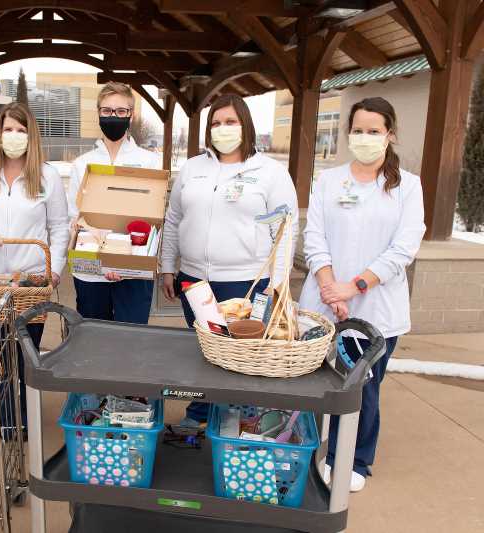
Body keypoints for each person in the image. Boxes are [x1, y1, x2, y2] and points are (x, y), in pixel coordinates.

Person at [299, 97, 425, 492]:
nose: (365, 138)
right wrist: (329, 287)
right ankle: (305, 448)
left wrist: (353, 288)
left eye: (374, 131)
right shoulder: (328, 180)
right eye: (358, 130)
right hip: (323, 301)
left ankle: (352, 459)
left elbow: (403, 249)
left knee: (362, 385)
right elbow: (314, 236)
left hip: (374, 308)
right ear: (347, 133)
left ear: (390, 134)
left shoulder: (407, 187)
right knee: (311, 381)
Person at [160, 94, 299, 426]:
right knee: (206, 351)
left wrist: (277, 284)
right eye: (216, 123)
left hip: (246, 281)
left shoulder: (269, 172)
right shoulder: (194, 169)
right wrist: (168, 267)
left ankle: (239, 420)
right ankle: (200, 412)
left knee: (242, 354)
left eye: (230, 122)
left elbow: (285, 230)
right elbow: (174, 218)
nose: (223, 129)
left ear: (245, 125)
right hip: (194, 280)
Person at [0, 102, 68, 449]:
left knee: (26, 353)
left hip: (30, 281)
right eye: (8, 129)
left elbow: (59, 227)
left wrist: (55, 270)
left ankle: (20, 418)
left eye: (21, 130)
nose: (14, 136)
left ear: (31, 135)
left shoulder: (47, 176)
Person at [66, 81, 161, 324]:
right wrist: (103, 255)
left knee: (132, 342)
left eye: (121, 111)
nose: (113, 116)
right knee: (94, 342)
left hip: (134, 270)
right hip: (91, 273)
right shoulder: (82, 164)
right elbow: (75, 217)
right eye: (107, 111)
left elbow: (154, 220)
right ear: (98, 113)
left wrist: (123, 259)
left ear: (131, 114)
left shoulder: (149, 162)